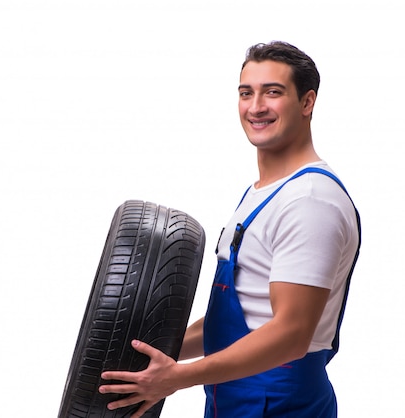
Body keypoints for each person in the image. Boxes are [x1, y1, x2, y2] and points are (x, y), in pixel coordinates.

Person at [98, 41, 361, 418]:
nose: (256, 107)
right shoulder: (263, 193)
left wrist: (178, 378)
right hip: (236, 399)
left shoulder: (310, 200)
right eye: (246, 93)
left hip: (280, 403)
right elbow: (242, 315)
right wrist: (153, 361)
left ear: (307, 102)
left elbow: (291, 333)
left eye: (273, 92)